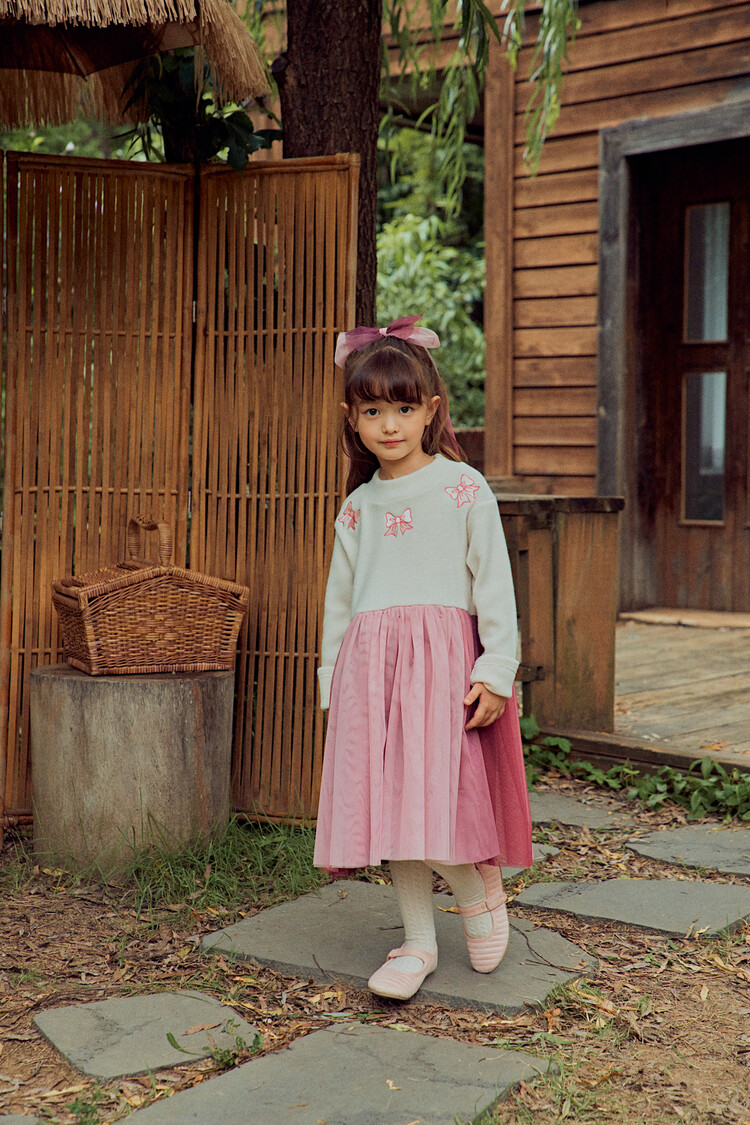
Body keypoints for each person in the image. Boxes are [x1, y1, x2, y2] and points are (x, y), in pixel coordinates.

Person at [314, 315, 532, 1001]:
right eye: (372, 411)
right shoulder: (358, 509)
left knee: (434, 801)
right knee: (389, 808)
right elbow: (339, 605)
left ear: (431, 410)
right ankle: (417, 941)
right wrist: (333, 682)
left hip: (441, 672)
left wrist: (495, 670)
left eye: (404, 409)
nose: (390, 425)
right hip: (372, 674)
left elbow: (494, 585)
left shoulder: (463, 489)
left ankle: (475, 890)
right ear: (351, 418)